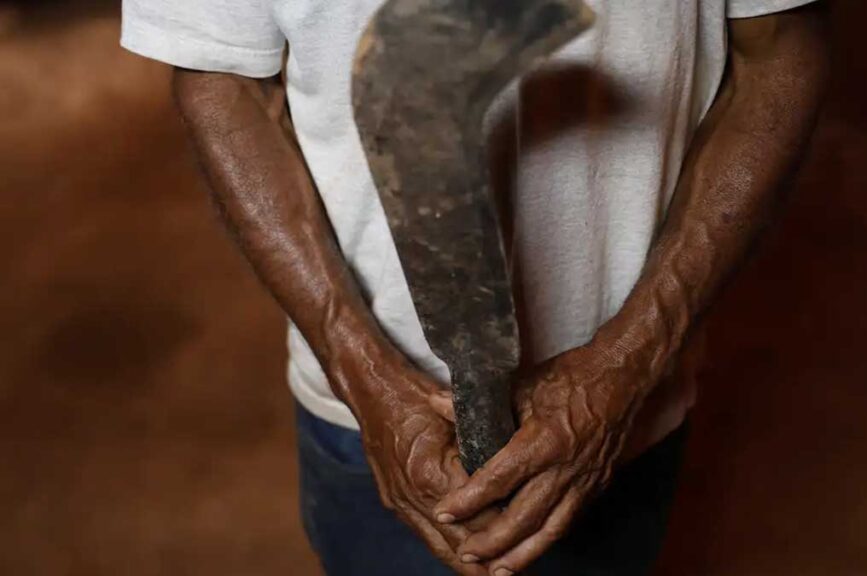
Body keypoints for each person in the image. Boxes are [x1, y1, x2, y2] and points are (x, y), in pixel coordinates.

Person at [120, 0, 829, 574]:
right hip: (376, 418)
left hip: (629, 406)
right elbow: (221, 79)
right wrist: (357, 366)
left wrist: (634, 356)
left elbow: (778, 52)